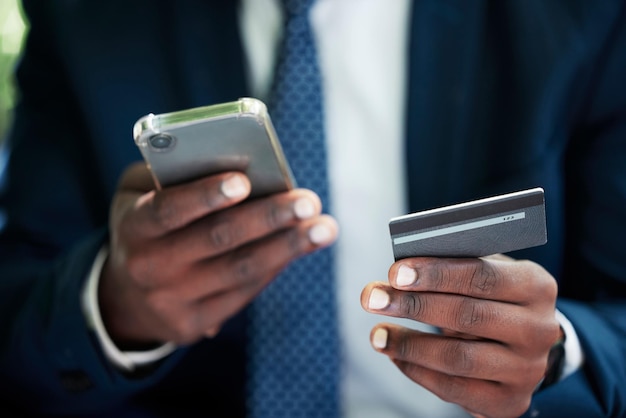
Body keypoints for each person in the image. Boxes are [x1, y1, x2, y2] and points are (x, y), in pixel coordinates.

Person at [1, 0, 625, 417]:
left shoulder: (584, 18)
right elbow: (17, 304)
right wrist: (114, 308)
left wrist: (554, 352)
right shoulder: (84, 17)